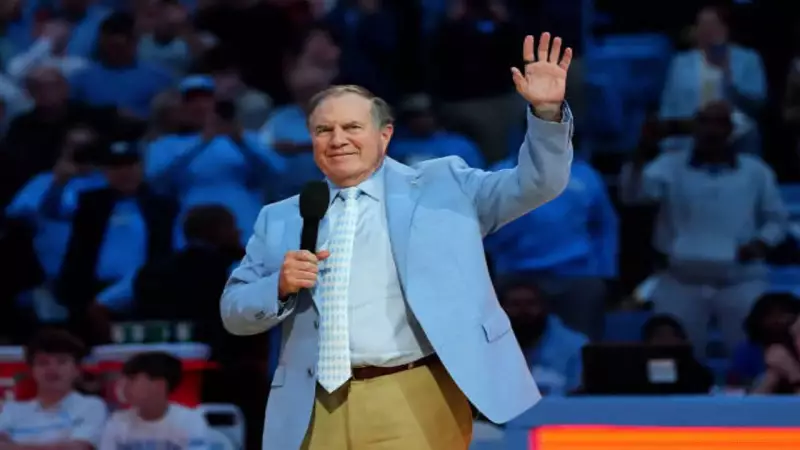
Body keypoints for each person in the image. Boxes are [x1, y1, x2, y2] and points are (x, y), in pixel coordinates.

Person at [221, 32, 574, 450]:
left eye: (352, 127)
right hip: (310, 404)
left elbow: (537, 184)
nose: (338, 139)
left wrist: (546, 114)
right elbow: (233, 312)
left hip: (414, 394)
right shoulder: (281, 216)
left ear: (385, 135)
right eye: (323, 130)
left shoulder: (444, 185)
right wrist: (277, 287)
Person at [619, 101, 788, 358]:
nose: (712, 131)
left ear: (731, 130)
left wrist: (760, 244)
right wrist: (644, 148)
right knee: (673, 355)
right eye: (705, 122)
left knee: (753, 352)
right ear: (694, 127)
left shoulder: (756, 170)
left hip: (740, 277)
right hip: (681, 277)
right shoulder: (669, 165)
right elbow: (632, 195)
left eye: (719, 123)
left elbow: (777, 220)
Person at [0, 329, 107, 448]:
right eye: (43, 363)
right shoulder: (11, 411)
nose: (52, 369)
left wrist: (13, 446)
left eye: (61, 362)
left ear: (77, 370)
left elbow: (76, 448)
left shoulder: (91, 406)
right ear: (31, 371)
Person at [99, 352, 209, 450]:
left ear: (159, 385)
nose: (124, 386)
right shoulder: (118, 421)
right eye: (124, 379)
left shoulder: (189, 420)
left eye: (132, 379)